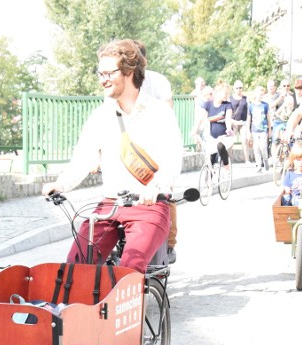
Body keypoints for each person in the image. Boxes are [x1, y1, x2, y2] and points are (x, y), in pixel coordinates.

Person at [41, 39, 183, 274]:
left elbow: (172, 160)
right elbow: (83, 158)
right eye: (100, 72)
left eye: (108, 72)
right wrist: (60, 184)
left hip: (148, 205)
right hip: (110, 205)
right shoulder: (101, 115)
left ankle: (130, 308)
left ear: (128, 72)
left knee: (128, 270)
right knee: (75, 267)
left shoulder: (159, 113)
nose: (102, 78)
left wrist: (156, 186)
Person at [134, 41, 178, 264]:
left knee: (165, 193)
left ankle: (169, 244)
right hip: (132, 149)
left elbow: (167, 112)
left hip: (157, 146)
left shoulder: (158, 81)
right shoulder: (121, 83)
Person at [194, 83, 233, 166]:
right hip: (212, 136)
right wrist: (195, 130)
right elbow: (200, 118)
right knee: (211, 157)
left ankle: (226, 165)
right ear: (217, 93)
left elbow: (228, 118)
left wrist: (229, 128)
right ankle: (209, 177)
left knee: (220, 147)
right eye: (225, 93)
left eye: (227, 93)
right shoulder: (208, 104)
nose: (226, 95)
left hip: (224, 136)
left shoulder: (227, 105)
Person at [247, 85, 272, 172]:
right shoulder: (251, 106)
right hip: (254, 130)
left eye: (262, 94)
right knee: (256, 148)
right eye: (259, 94)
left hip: (263, 130)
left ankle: (265, 160)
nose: (260, 96)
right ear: (255, 95)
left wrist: (269, 129)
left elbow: (268, 118)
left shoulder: (265, 105)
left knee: (263, 147)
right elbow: (249, 119)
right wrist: (248, 131)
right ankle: (258, 164)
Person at [230, 80, 249, 162]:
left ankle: (247, 160)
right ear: (234, 88)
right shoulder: (230, 98)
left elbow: (248, 111)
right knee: (231, 142)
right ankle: (229, 160)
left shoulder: (246, 98)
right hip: (233, 122)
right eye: (237, 88)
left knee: (245, 141)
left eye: (240, 87)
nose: (239, 89)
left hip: (243, 122)